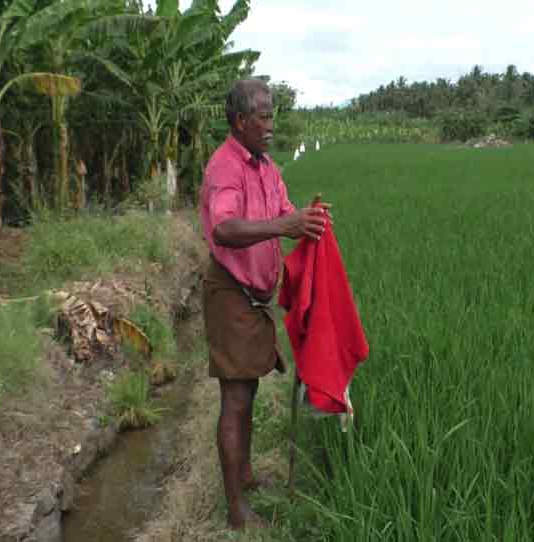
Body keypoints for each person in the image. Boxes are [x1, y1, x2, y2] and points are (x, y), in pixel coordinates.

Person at [199, 78, 330, 530]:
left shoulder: (266, 166)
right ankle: (237, 512)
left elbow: (285, 210)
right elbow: (225, 229)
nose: (272, 123)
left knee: (248, 389)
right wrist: (284, 225)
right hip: (231, 295)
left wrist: (307, 221)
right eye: (264, 115)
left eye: (273, 114)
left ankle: (247, 476)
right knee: (235, 399)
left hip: (255, 298)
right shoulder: (225, 169)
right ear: (240, 121)